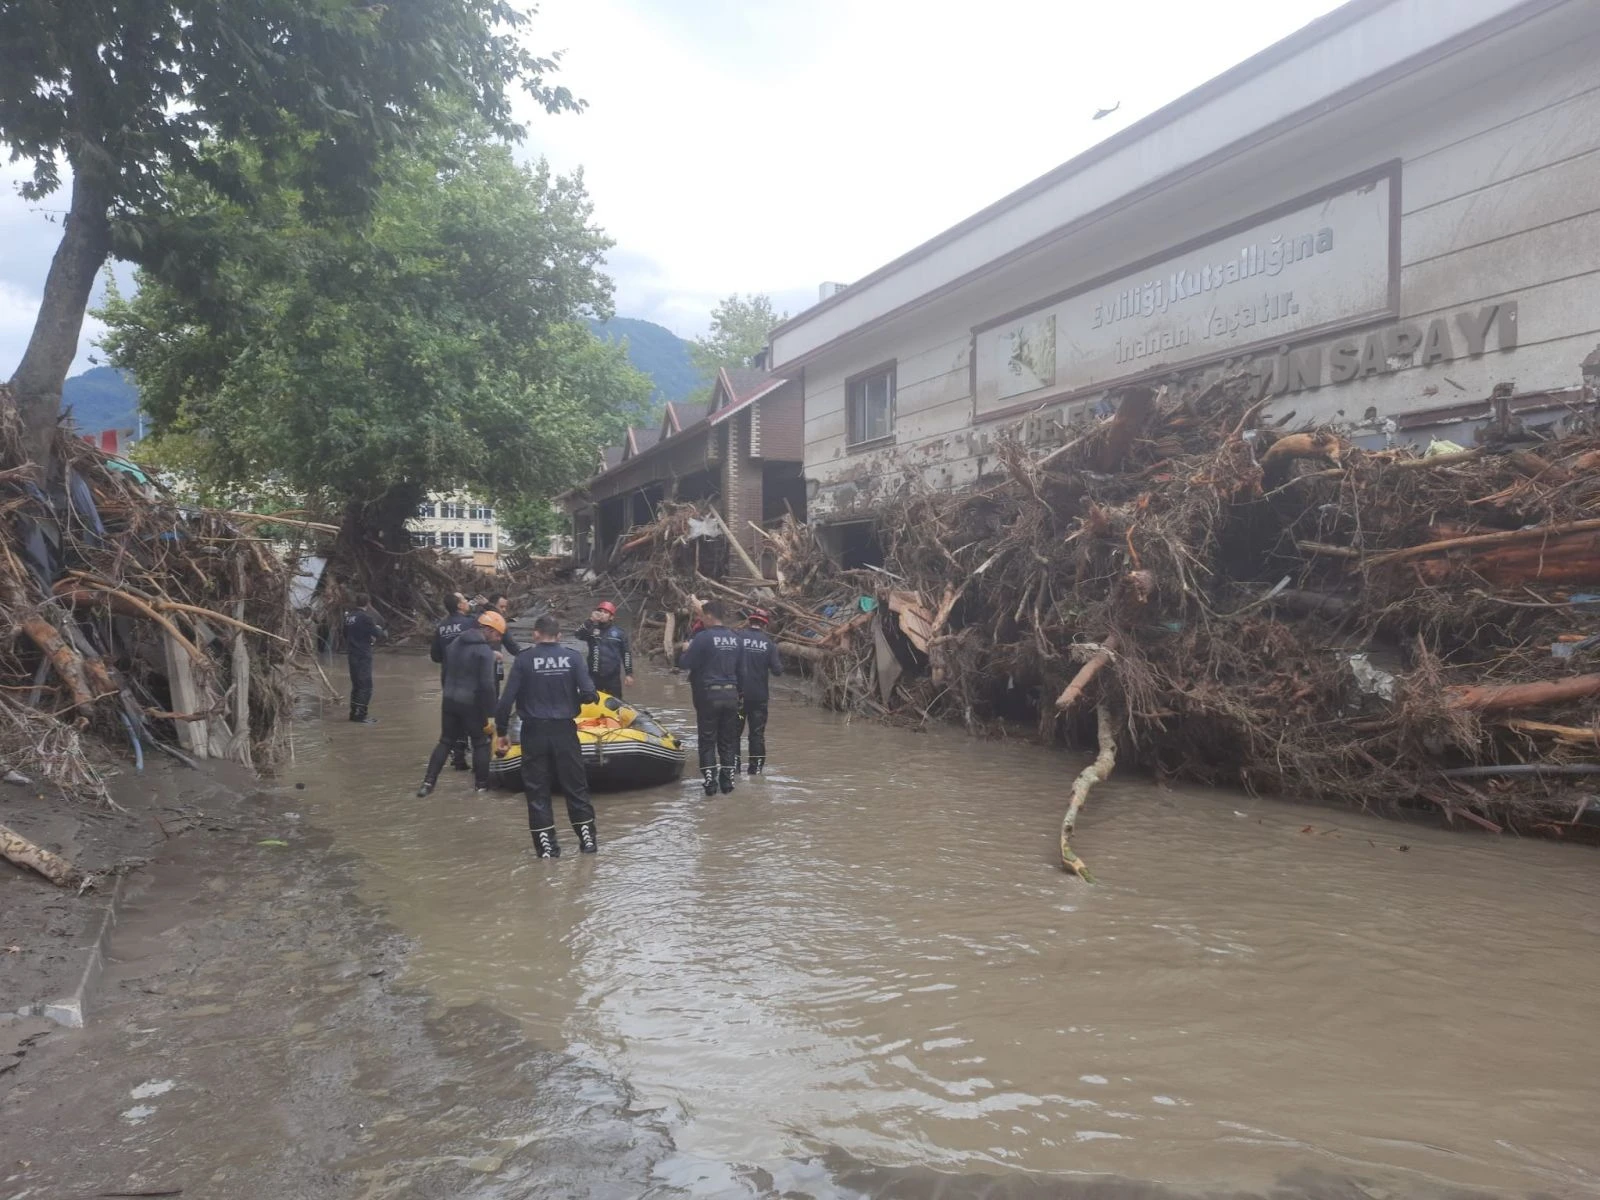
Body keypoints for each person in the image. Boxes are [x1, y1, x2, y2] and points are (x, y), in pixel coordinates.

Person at [495, 614, 600, 858]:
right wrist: (580, 698)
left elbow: (505, 702)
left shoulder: (524, 660)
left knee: (537, 790)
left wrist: (502, 732)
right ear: (559, 635)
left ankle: (547, 849)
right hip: (565, 730)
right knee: (575, 787)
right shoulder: (573, 658)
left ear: (535, 634)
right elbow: (589, 693)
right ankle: (587, 842)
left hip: (534, 732)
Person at [417, 611, 504, 797]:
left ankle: (427, 783)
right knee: (481, 743)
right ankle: (481, 788)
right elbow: (487, 686)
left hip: (449, 700)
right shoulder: (484, 652)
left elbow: (445, 671)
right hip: (472, 704)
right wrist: (491, 716)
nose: (498, 639)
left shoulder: (455, 644)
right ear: (488, 630)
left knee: (445, 741)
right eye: (497, 634)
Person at [677, 599, 743, 796]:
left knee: (707, 740)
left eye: (701, 616)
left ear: (709, 616)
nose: (700, 619)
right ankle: (728, 781)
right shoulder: (736, 638)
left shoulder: (703, 638)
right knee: (728, 740)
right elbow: (742, 671)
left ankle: (709, 783)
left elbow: (685, 664)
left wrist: (685, 650)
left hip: (709, 695)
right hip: (731, 695)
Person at [430, 592, 476, 770]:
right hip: (470, 677)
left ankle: (458, 755)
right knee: (473, 716)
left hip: (448, 678)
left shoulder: (441, 626)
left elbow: (435, 656)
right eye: (464, 600)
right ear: (459, 606)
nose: (467, 601)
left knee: (455, 717)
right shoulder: (470, 623)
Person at [736, 608, 784, 775]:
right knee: (756, 734)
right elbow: (778, 671)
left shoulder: (738, 638)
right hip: (758, 700)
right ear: (764, 624)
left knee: (735, 732)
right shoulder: (769, 644)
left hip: (739, 700)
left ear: (750, 621)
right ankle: (755, 771)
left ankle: (734, 768)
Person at [343, 593, 387, 724]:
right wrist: (381, 631)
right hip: (363, 654)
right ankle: (361, 715)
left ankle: (353, 713)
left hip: (352, 654)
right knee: (366, 686)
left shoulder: (348, 617)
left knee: (356, 685)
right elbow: (378, 634)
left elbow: (345, 634)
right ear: (368, 604)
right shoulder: (366, 618)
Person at [577, 600, 634, 699]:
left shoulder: (619, 633)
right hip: (593, 676)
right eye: (600, 611)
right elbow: (578, 635)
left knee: (616, 705)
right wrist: (590, 620)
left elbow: (626, 654)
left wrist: (629, 674)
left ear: (611, 617)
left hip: (613, 678)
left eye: (606, 612)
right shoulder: (590, 629)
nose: (602, 614)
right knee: (590, 702)